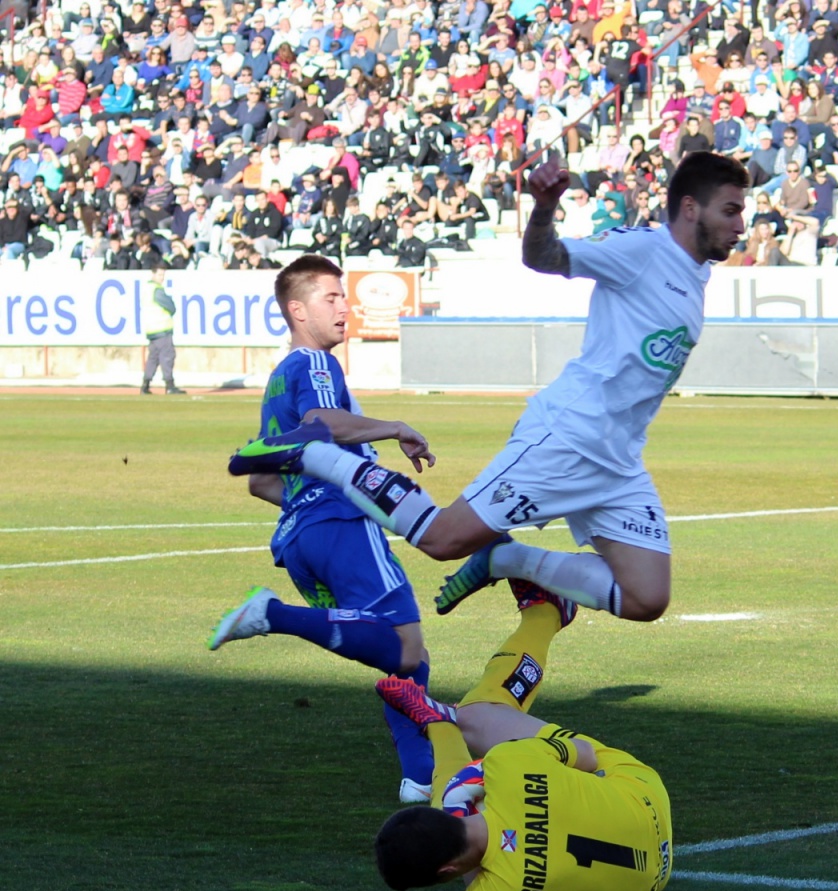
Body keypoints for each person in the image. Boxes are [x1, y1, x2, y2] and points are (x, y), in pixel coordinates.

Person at [228, 152, 748, 625]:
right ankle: (328, 462)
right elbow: (543, 256)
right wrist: (544, 207)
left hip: (618, 458)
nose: (740, 225)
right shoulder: (640, 249)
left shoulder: (695, 271)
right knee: (441, 539)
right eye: (729, 211)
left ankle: (507, 557)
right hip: (568, 437)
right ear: (689, 208)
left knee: (646, 598)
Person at [208, 255, 437, 805]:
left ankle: (419, 779)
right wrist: (395, 427)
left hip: (299, 539)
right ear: (297, 310)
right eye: (331, 298)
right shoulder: (315, 363)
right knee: (405, 650)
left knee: (402, 655)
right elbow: (324, 425)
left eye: (344, 297)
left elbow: (261, 481)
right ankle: (273, 614)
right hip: (341, 525)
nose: (344, 307)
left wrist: (307, 503)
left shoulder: (277, 380)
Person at [373, 581, 672, 891]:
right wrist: (501, 784)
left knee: (457, 793)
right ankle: (545, 613)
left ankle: (438, 723)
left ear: (447, 871)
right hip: (644, 796)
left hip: (653, 876)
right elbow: (587, 756)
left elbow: (472, 866)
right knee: (475, 715)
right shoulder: (508, 764)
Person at [140, 266, 184, 395]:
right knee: (167, 356)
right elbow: (171, 306)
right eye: (160, 275)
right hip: (162, 327)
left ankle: (145, 385)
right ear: (153, 274)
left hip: (151, 328)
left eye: (163, 275)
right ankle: (169, 385)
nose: (162, 278)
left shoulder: (146, 288)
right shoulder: (157, 290)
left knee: (153, 358)